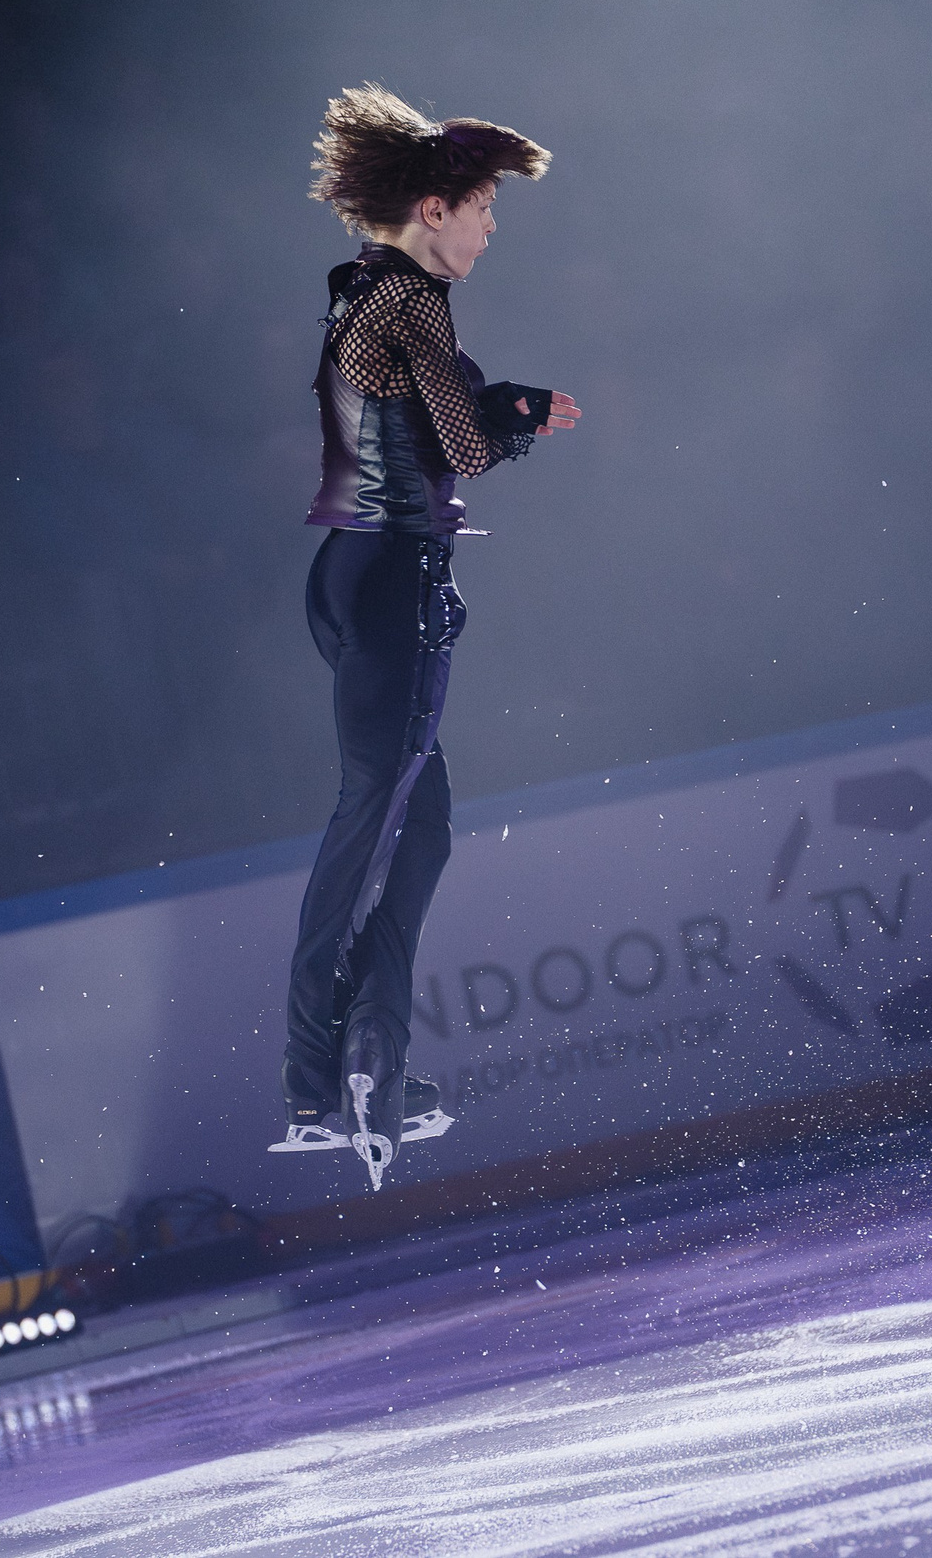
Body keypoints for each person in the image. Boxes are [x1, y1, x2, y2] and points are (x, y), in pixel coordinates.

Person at [268, 85, 579, 1190]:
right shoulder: (413, 299)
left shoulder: (364, 290)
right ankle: (317, 1077)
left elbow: (422, 419)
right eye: (485, 208)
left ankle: (373, 1057)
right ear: (437, 206)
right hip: (395, 584)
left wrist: (500, 401)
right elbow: (464, 444)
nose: (491, 229)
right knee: (371, 822)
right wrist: (520, 416)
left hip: (350, 576)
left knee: (419, 820)